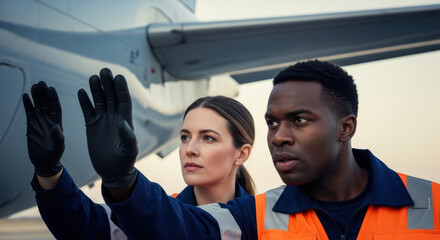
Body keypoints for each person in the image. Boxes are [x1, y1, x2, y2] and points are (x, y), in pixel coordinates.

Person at [88, 60, 439, 239]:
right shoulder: (253, 216)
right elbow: (175, 227)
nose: (279, 137)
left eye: (299, 120)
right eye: (272, 123)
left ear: (345, 128)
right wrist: (122, 179)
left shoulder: (432, 205)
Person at [22, 69, 256, 239]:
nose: (190, 149)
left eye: (208, 138)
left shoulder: (268, 222)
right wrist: (50, 173)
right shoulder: (145, 216)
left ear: (241, 154)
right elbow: (85, 227)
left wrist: (125, 181)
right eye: (185, 137)